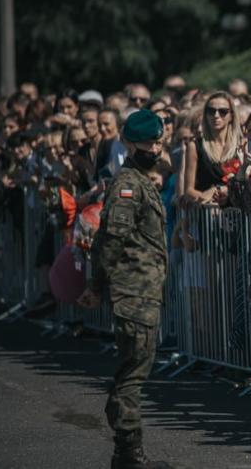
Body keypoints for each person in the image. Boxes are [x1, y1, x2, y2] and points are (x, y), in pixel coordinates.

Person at [77, 110, 173, 469]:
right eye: (147, 142)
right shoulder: (127, 184)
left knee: (132, 371)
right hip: (134, 291)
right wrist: (96, 285)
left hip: (144, 290)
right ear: (129, 143)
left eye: (157, 141)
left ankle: (124, 451)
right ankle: (130, 453)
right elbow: (111, 240)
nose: (154, 147)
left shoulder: (142, 179)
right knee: (132, 373)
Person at [183, 92, 242, 205]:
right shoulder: (195, 146)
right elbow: (188, 190)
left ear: (231, 116)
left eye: (223, 111)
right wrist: (208, 197)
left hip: (238, 212)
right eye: (211, 111)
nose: (216, 115)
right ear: (205, 115)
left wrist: (224, 191)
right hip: (208, 214)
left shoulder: (241, 144)